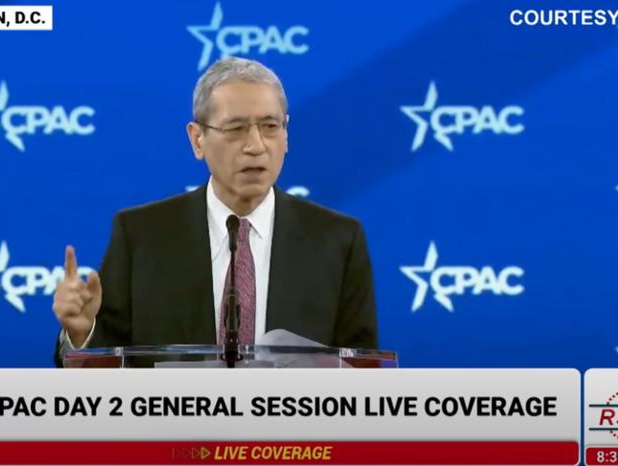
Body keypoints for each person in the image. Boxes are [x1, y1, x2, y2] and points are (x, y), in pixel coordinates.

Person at [52, 57, 377, 366]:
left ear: (286, 134)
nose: (256, 145)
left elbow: (362, 373)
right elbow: (104, 372)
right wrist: (82, 333)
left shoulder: (338, 240)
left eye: (270, 126)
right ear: (198, 139)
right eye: (236, 129)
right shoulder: (140, 236)